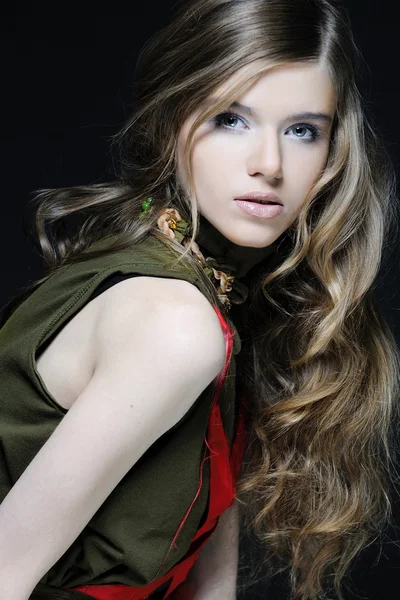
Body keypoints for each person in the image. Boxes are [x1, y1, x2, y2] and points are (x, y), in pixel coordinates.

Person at [0, 0, 399, 599]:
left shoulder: (202, 284)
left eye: (302, 130)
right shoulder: (175, 324)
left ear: (332, 153)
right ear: (173, 121)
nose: (269, 164)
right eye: (230, 120)